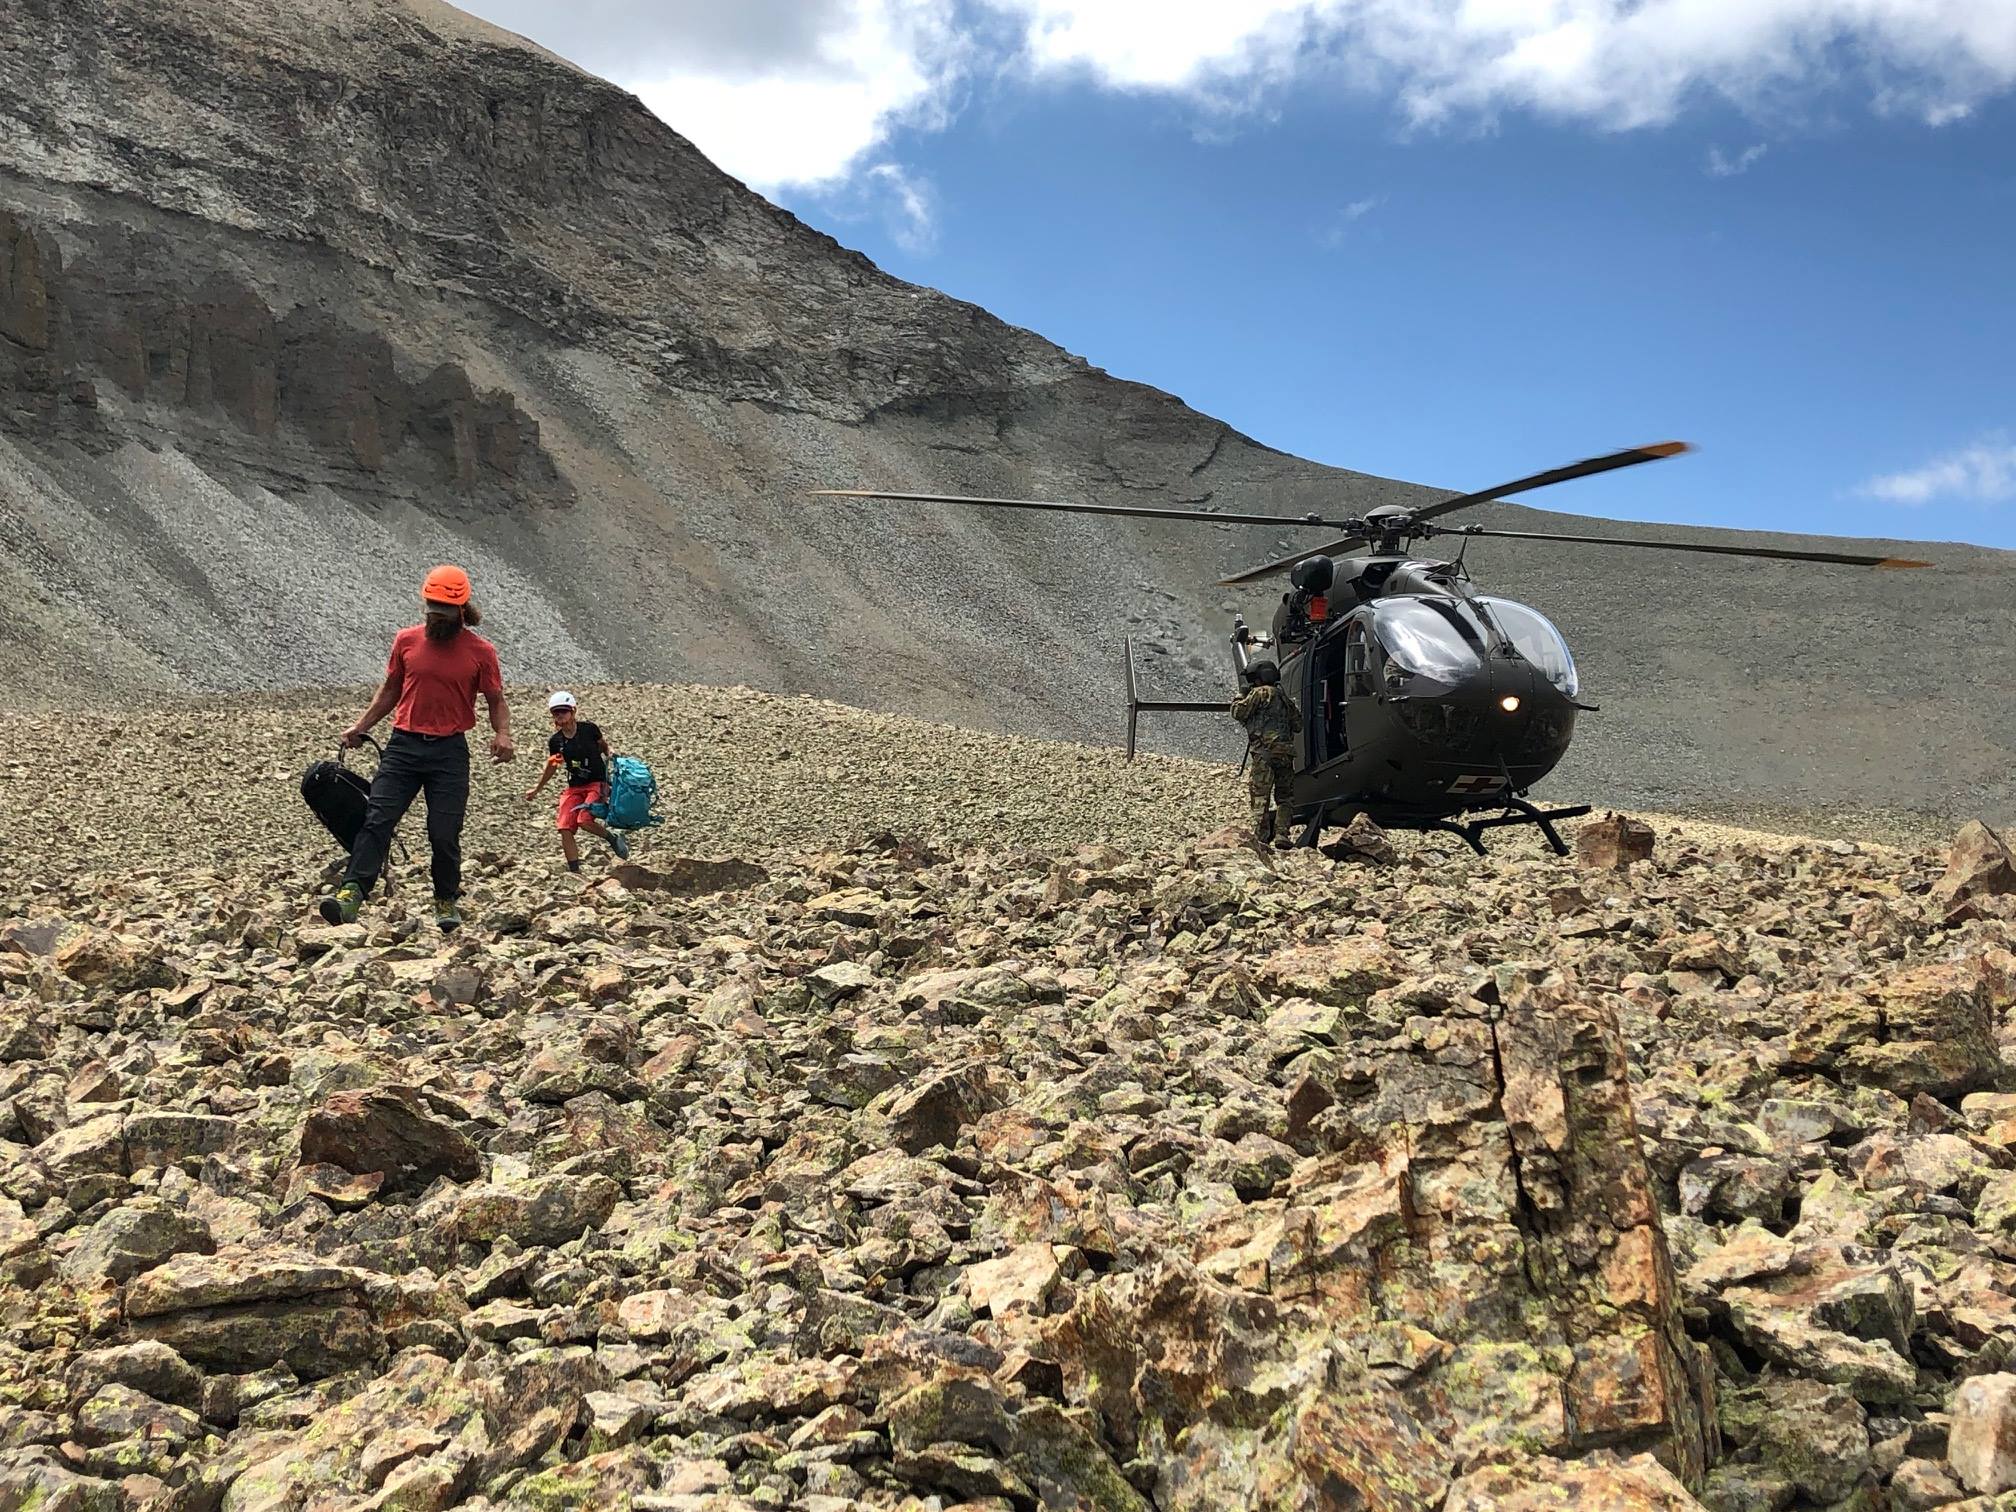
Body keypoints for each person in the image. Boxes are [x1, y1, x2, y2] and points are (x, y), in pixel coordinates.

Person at [319, 565, 513, 932]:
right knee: (377, 819)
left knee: (443, 831)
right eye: (431, 606)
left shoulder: (481, 652)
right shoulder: (406, 641)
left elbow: (496, 699)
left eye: (442, 608)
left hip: (449, 753)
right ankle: (351, 894)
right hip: (403, 746)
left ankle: (445, 899)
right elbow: (390, 690)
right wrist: (361, 727)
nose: (435, 614)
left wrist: (503, 734)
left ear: (461, 609)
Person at [523, 691, 630, 870]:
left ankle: (612, 838)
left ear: (573, 711)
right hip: (575, 786)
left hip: (596, 783)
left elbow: (603, 745)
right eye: (556, 713)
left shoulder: (589, 730)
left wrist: (611, 754)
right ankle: (575, 871)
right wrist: (537, 788)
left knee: (584, 820)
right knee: (564, 826)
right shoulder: (556, 742)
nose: (560, 716)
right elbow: (554, 764)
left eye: (563, 711)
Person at [1231, 659, 1301, 847]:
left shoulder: (1259, 693)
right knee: (1285, 797)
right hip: (1285, 754)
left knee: (1260, 795)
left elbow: (1238, 712)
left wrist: (1240, 695)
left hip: (1264, 753)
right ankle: (1282, 834)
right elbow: (1298, 725)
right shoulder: (1284, 697)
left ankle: (1261, 837)